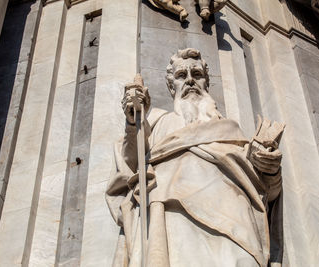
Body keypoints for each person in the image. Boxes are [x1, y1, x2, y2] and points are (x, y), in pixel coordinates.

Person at [106, 48, 284, 267]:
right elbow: (131, 167)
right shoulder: (158, 123)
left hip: (235, 218)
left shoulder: (232, 131)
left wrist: (270, 168)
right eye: (182, 76)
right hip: (174, 214)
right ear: (172, 86)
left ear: (206, 83)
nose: (190, 80)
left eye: (197, 74)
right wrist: (134, 123)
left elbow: (265, 192)